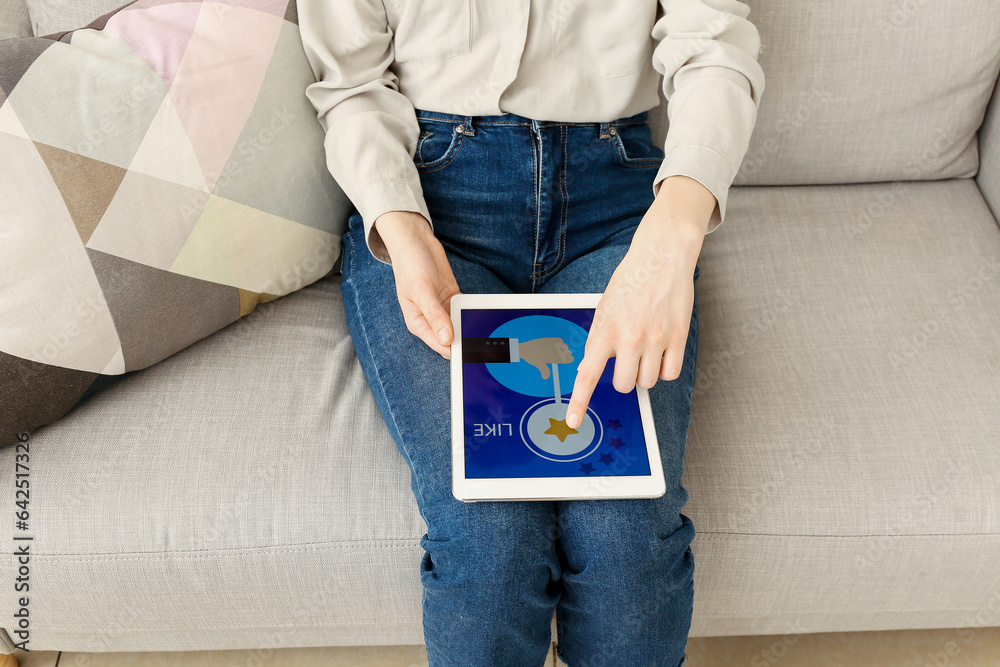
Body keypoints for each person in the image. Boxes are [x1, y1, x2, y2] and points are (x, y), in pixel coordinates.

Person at [297, 1, 765, 665]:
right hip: (431, 200)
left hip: (619, 203)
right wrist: (400, 225)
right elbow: (351, 86)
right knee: (489, 538)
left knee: (628, 529)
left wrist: (674, 236)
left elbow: (714, 47)